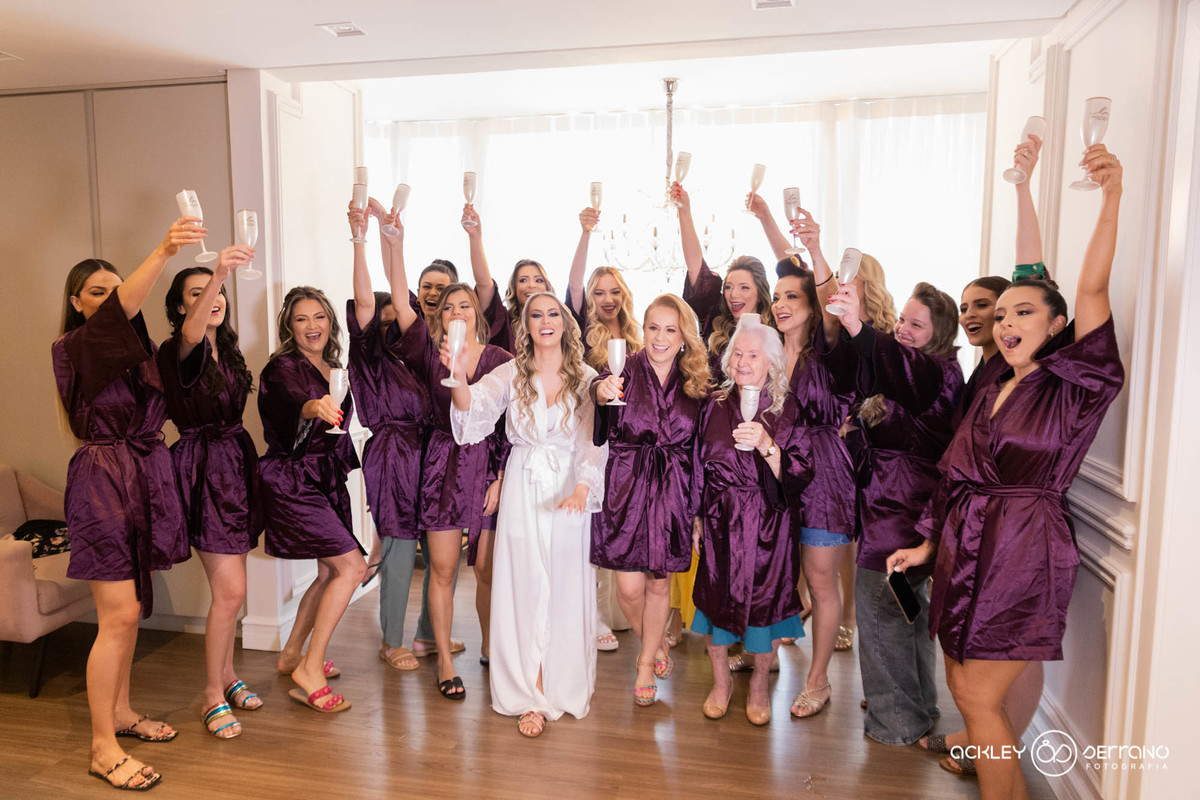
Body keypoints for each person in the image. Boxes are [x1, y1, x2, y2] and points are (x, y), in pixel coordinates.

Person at [889, 146, 1125, 799]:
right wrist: (928, 543)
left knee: (975, 695)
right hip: (966, 541)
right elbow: (956, 474)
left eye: (1024, 311)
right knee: (963, 685)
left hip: (1023, 543)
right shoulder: (992, 382)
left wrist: (1111, 197)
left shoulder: (1074, 384)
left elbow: (1091, 289)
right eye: (1002, 314)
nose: (1007, 321)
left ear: (1057, 326)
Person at [53, 218, 199, 789]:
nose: (111, 300)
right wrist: (163, 248)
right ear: (77, 303)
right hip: (103, 484)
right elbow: (120, 315)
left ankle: (120, 711)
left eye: (116, 290)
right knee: (116, 615)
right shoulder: (73, 347)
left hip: (143, 475)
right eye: (98, 292)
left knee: (131, 609)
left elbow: (188, 345)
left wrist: (216, 278)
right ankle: (101, 747)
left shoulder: (143, 354)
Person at [919, 132, 1047, 777]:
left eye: (991, 308)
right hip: (973, 524)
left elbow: (1033, 275)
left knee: (1010, 656)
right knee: (989, 661)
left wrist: (1023, 186)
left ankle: (991, 744)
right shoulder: (984, 373)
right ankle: (980, 738)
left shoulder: (1030, 370)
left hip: (1018, 528)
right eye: (970, 308)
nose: (979, 318)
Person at [448, 292, 607, 737]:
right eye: (536, 314)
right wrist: (457, 374)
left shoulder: (586, 377)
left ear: (565, 322)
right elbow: (472, 409)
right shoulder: (511, 372)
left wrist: (582, 488)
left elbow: (594, 441)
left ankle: (559, 686)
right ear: (527, 325)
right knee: (524, 583)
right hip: (522, 486)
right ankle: (528, 692)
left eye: (553, 313)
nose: (545, 320)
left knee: (564, 585)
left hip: (568, 488)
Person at [828, 278, 963, 746]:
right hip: (905, 508)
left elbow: (896, 367)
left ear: (939, 332)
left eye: (916, 325)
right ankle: (920, 704)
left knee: (880, 612)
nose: (903, 329)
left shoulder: (934, 372)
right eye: (902, 319)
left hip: (899, 513)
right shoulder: (937, 371)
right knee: (909, 611)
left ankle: (896, 722)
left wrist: (856, 324)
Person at [391, 244, 512, 696]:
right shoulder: (428, 352)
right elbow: (400, 302)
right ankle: (443, 660)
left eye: (464, 305)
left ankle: (491, 648)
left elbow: (512, 425)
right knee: (441, 570)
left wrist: (500, 476)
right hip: (442, 463)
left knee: (487, 572)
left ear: (477, 311)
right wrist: (392, 240)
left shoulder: (501, 359)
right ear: (438, 317)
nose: (456, 312)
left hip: (488, 466)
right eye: (447, 307)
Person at [159, 250, 262, 740]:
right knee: (231, 590)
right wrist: (220, 272)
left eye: (217, 290)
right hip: (203, 470)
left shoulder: (229, 349)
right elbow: (191, 336)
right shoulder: (179, 349)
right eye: (198, 293)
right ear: (181, 307)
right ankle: (211, 694)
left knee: (233, 587)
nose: (213, 297)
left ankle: (228, 674)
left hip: (235, 465)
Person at [692, 314, 812, 726]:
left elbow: (803, 470)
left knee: (766, 606)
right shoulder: (714, 404)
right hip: (720, 519)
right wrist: (696, 517)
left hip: (769, 523)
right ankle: (721, 682)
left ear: (772, 363)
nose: (743, 361)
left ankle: (760, 684)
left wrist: (767, 445)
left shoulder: (788, 407)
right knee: (716, 602)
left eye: (754, 355)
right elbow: (696, 465)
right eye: (737, 353)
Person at [592, 294, 711, 705]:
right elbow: (597, 409)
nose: (660, 337)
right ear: (642, 330)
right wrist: (600, 393)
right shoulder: (622, 370)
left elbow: (700, 454)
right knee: (628, 589)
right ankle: (654, 642)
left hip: (673, 489)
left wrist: (696, 512)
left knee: (659, 584)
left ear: (683, 336)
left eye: (670, 329)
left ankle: (645, 664)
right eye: (653, 327)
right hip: (626, 486)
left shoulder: (696, 383)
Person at [260, 286, 364, 713]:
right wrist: (313, 406)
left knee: (327, 573)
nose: (312, 326)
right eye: (301, 319)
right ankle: (309, 668)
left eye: (319, 317)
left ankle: (291, 655)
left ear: (330, 322)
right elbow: (292, 403)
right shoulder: (280, 368)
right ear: (289, 326)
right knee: (352, 567)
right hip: (293, 477)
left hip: (326, 475)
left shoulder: (335, 366)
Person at [798, 227, 900, 655]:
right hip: (838, 449)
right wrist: (812, 248)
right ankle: (819, 607)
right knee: (831, 539)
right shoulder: (834, 332)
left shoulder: (888, 337)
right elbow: (819, 295)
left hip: (877, 454)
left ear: (867, 287)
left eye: (850, 280)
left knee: (863, 543)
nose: (839, 287)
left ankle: (856, 619)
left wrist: (858, 422)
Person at [346, 205, 430, 674]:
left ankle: (429, 634)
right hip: (392, 452)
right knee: (398, 544)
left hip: (429, 448)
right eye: (384, 317)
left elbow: (402, 298)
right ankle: (391, 640)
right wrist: (361, 239)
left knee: (437, 545)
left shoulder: (419, 351)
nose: (395, 320)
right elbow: (365, 300)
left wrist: (392, 237)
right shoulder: (368, 354)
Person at [565, 208, 644, 650]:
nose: (607, 299)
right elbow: (573, 286)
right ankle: (593, 615)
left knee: (621, 525)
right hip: (594, 439)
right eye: (599, 292)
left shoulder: (638, 338)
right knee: (593, 525)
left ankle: (621, 610)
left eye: (614, 291)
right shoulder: (581, 331)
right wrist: (585, 233)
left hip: (630, 446)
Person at [675, 183, 774, 382]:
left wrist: (766, 218)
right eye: (728, 287)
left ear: (759, 293)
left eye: (744, 287)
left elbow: (795, 270)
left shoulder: (775, 330)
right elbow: (696, 268)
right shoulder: (714, 322)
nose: (734, 294)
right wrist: (684, 210)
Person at [461, 203, 554, 354]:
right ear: (514, 289)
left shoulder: (559, 323)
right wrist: (475, 236)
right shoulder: (503, 322)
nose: (531, 285)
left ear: (548, 288)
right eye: (523, 280)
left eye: (538, 280)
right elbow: (484, 284)